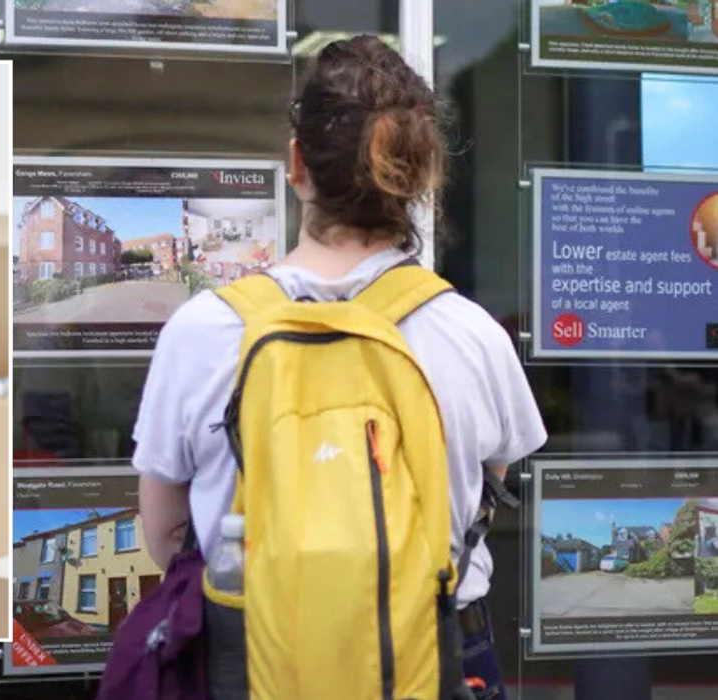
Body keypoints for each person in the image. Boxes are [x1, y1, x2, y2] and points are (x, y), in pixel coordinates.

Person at [132, 36, 546, 698]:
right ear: (422, 173)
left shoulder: (203, 331)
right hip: (439, 655)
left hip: (253, 654)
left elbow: (165, 534)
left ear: (295, 163)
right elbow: (485, 490)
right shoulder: (472, 335)